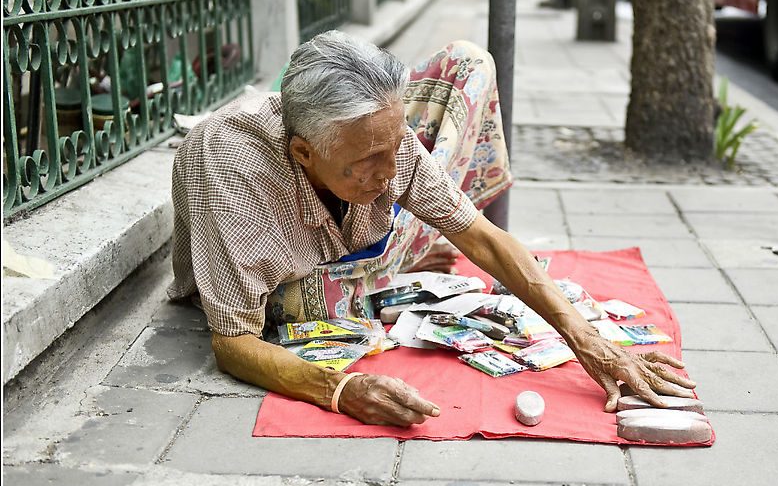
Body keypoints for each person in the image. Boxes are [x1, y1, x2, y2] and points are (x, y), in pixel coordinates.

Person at [167, 31, 696, 428]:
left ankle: (390, 261)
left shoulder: (381, 144)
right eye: (373, 158)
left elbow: (481, 236)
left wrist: (590, 340)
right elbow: (232, 341)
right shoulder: (230, 165)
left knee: (468, 60)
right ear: (303, 152)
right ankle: (387, 269)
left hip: (361, 247)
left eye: (397, 145)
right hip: (289, 290)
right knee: (299, 308)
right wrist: (338, 388)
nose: (393, 170)